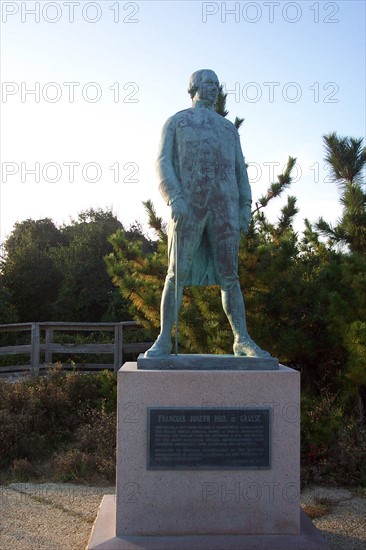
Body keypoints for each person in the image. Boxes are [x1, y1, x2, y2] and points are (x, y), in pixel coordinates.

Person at [145, 69, 270, 358]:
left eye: (217, 84)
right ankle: (164, 339)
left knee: (230, 277)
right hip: (189, 207)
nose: (214, 89)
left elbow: (241, 171)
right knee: (175, 275)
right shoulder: (177, 122)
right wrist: (174, 197)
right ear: (194, 87)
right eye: (208, 83)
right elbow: (162, 163)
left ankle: (241, 339)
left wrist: (244, 207)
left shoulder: (228, 129)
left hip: (224, 208)